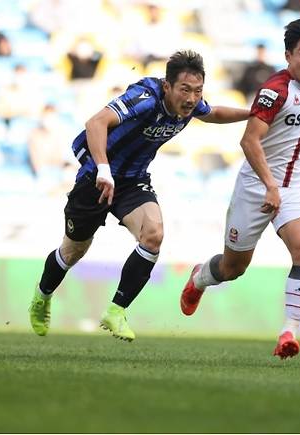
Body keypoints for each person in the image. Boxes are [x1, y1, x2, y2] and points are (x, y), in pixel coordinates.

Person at [29, 50, 249, 341]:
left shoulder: (190, 105)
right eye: (185, 90)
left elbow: (214, 113)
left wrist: (255, 114)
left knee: (154, 234)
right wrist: (103, 171)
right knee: (73, 251)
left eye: (197, 91)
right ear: (168, 86)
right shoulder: (145, 97)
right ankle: (42, 296)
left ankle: (116, 311)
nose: (192, 98)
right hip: (97, 177)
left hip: (133, 181)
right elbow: (96, 123)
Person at [180, 19, 300, 359]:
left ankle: (288, 332)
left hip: (296, 186)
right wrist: (270, 186)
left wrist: (282, 188)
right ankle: (200, 278)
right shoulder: (274, 91)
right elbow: (249, 141)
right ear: (288, 55)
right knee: (233, 268)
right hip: (256, 186)